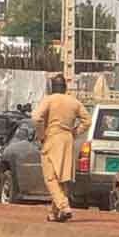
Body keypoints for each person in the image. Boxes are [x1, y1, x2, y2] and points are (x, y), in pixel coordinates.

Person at [31, 75, 91, 223]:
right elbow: (87, 121)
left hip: (52, 137)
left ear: (52, 87)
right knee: (62, 178)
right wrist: (75, 132)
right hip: (67, 139)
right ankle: (54, 213)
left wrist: (41, 135)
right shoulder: (74, 102)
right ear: (65, 88)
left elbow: (36, 117)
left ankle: (64, 207)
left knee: (50, 177)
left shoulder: (49, 100)